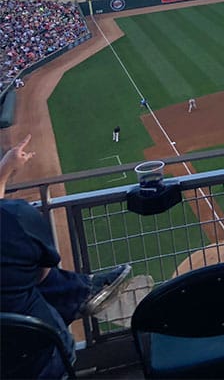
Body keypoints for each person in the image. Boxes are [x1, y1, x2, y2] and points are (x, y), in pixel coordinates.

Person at [1, 135, 132, 378]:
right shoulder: (14, 218)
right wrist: (5, 171)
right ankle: (82, 292)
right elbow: (42, 273)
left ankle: (84, 292)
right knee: (34, 279)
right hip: (39, 356)